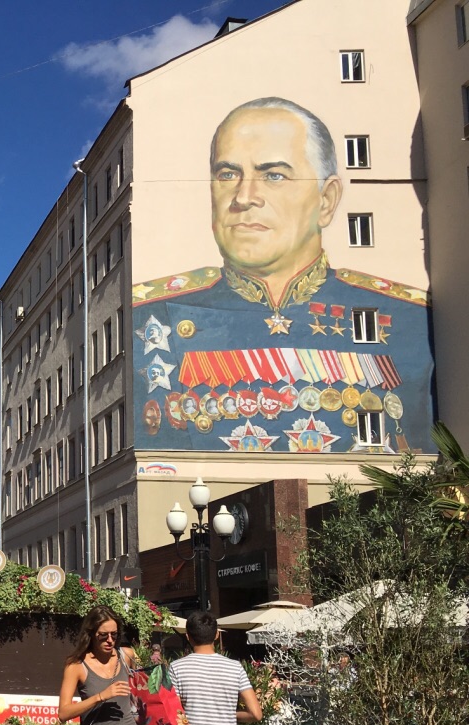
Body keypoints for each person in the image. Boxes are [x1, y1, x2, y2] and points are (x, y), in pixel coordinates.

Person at [131, 96, 432, 455]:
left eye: (274, 175)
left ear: (327, 200)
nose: (244, 196)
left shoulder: (403, 315)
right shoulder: (152, 313)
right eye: (227, 174)